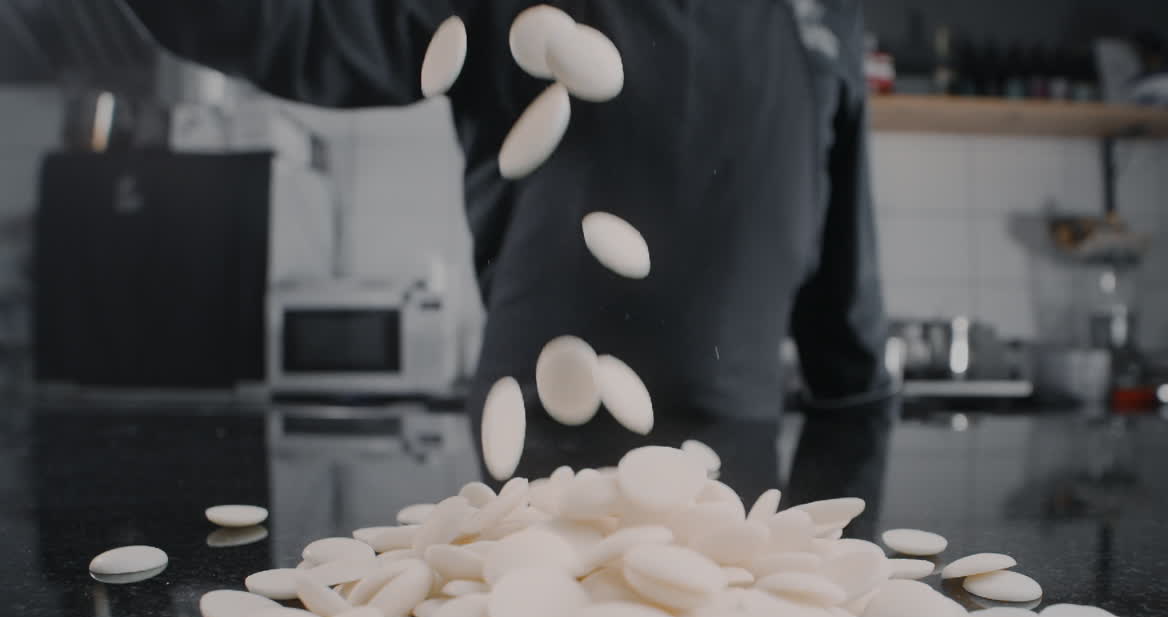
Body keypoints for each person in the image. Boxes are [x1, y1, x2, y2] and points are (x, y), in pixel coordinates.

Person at [125, 0, 891, 430]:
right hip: (533, 441)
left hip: (739, 458)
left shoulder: (823, 14)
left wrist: (858, 440)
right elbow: (300, 25)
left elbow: (843, 275)